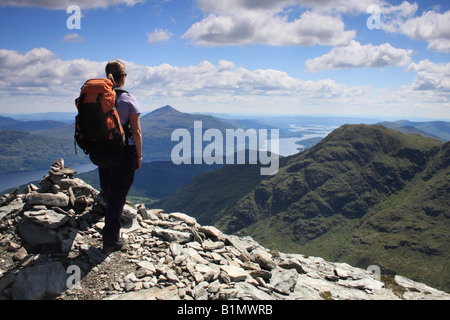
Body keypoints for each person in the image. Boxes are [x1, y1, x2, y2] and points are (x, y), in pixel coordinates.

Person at [89, 59, 143, 252]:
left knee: (108, 188)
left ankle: (102, 212)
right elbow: (136, 132)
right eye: (126, 75)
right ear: (123, 77)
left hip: (100, 152)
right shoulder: (128, 99)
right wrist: (139, 156)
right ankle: (111, 238)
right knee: (117, 196)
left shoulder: (97, 98)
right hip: (122, 153)